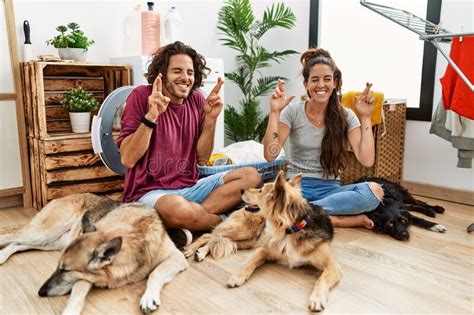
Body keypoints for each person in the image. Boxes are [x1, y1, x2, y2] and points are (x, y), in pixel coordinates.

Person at [117, 41, 261, 246]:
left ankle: (190, 223)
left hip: (192, 186)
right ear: (162, 73)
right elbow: (128, 159)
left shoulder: (196, 100)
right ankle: (227, 222)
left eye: (190, 72)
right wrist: (151, 116)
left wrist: (211, 120)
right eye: (177, 71)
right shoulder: (141, 96)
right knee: (177, 209)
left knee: (251, 176)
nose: (185, 78)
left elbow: (202, 158)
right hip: (150, 192)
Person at [263, 48, 384, 229]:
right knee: (276, 200)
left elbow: (366, 160)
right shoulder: (293, 111)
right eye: (315, 79)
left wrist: (366, 116)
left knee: (375, 191)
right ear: (306, 84)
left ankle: (304, 213)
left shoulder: (346, 116)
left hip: (330, 190)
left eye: (327, 79)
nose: (321, 85)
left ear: (335, 82)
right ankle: (332, 219)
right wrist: (274, 112)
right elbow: (270, 154)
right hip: (297, 187)